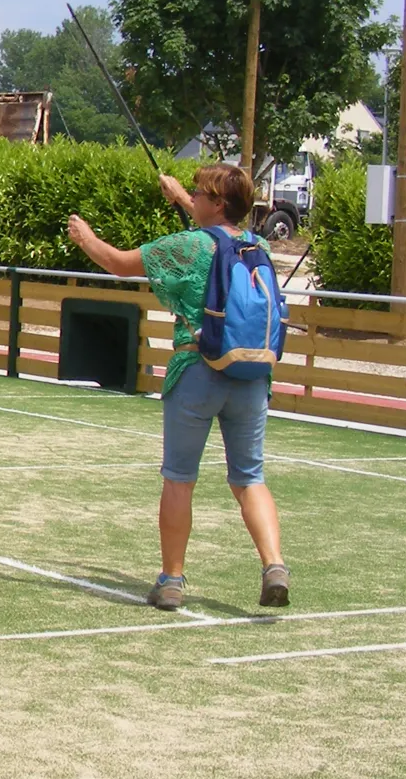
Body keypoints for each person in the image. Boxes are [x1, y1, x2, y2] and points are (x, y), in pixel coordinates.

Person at [67, 165, 290, 612]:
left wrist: (84, 236)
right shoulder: (258, 245)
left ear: (217, 202)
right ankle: (274, 565)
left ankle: (171, 580)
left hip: (197, 372)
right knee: (249, 479)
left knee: (179, 479)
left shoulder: (187, 246)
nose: (193, 195)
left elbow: (117, 263)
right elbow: (219, 236)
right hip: (250, 377)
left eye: (199, 192)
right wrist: (182, 200)